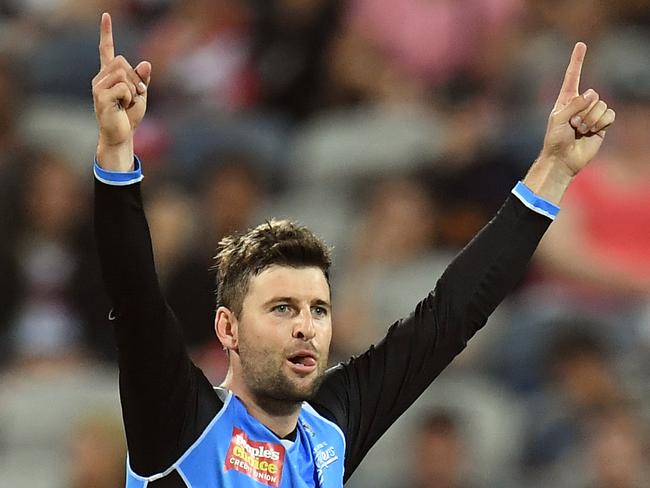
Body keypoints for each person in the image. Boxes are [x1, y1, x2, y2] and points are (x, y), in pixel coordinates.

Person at [91, 12, 614, 488]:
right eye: (282, 308)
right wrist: (117, 150)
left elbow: (452, 315)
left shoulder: (333, 426)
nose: (306, 326)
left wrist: (554, 170)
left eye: (318, 309)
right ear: (227, 328)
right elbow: (134, 297)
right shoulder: (181, 422)